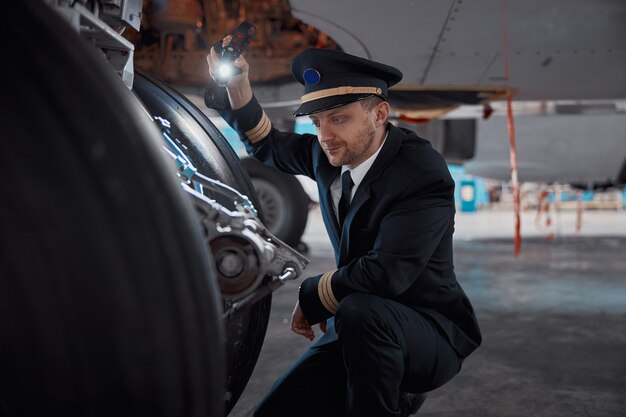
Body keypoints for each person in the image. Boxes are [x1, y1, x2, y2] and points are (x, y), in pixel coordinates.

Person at [207, 40, 482, 417]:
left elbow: (386, 274)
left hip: (426, 332)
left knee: (359, 312)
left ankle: (395, 394)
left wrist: (311, 296)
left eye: (338, 118)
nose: (324, 135)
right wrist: (238, 87)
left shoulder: (420, 173)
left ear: (379, 113)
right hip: (356, 327)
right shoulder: (330, 154)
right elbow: (268, 143)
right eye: (317, 121)